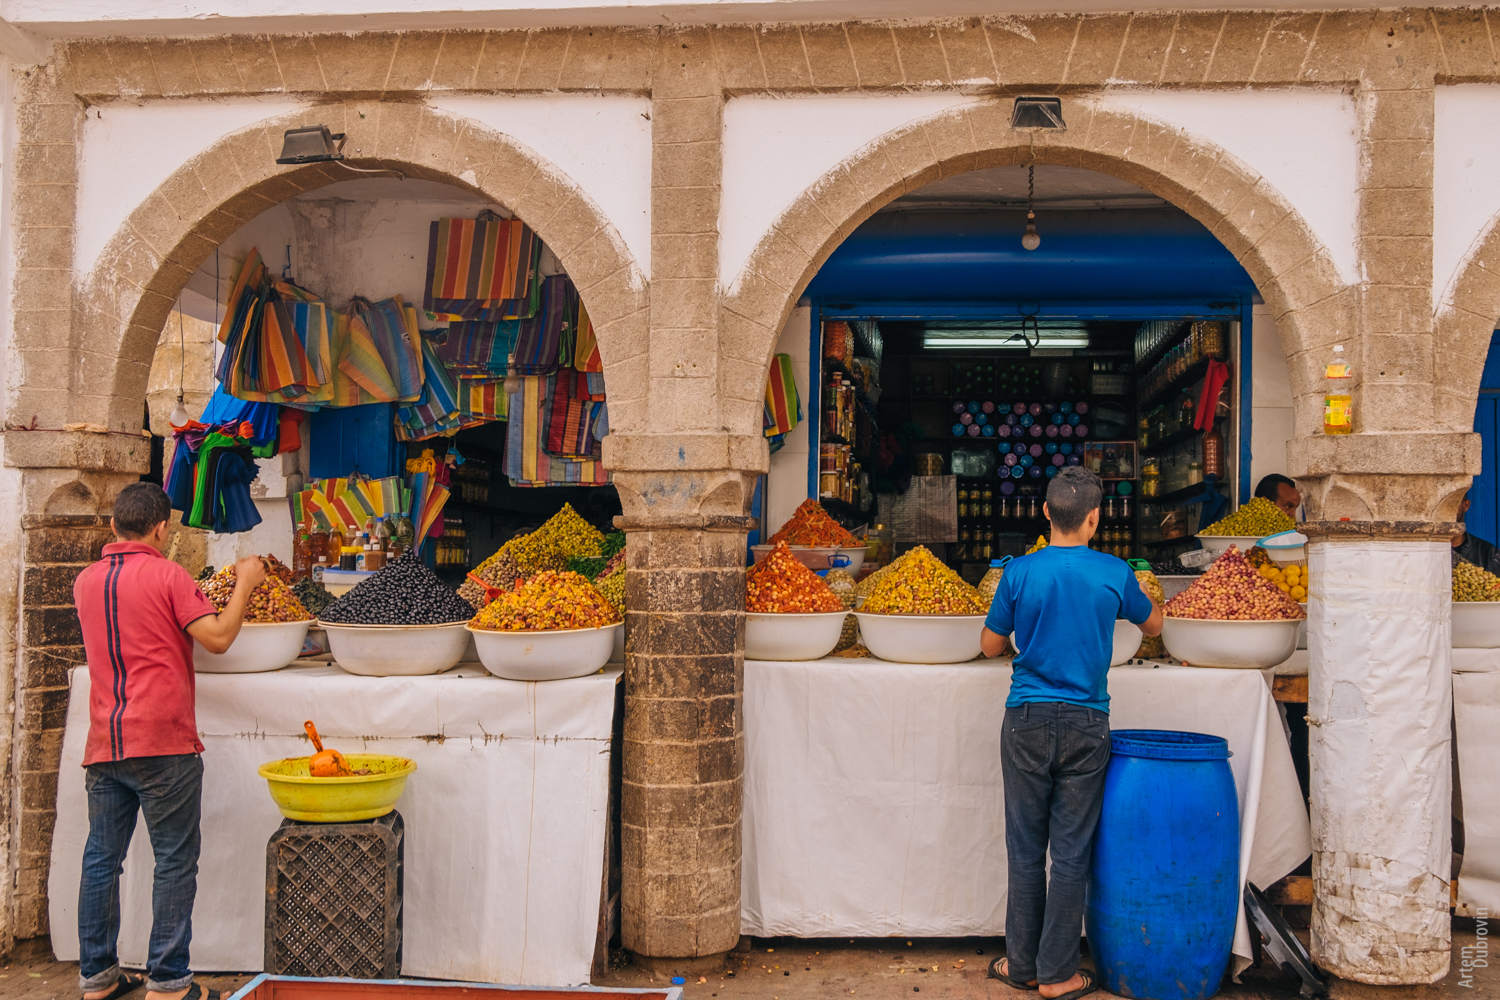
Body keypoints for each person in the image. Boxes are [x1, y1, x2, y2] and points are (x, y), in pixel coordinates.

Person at [73, 483, 266, 1000]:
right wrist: (245, 581)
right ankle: (168, 983)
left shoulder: (85, 581)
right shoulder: (167, 574)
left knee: (100, 860)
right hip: (162, 742)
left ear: (114, 525)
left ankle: (97, 980)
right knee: (175, 861)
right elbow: (219, 639)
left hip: (105, 741)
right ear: (162, 529)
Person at [978, 466, 1163, 1000]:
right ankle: (1058, 974)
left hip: (1026, 720)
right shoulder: (1113, 572)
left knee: (1025, 849)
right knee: (1071, 852)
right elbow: (1154, 627)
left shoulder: (1019, 572)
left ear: (1044, 514)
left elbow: (990, 645)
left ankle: (1022, 966)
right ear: (1094, 519)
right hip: (1086, 722)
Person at [1452, 490, 1500, 574]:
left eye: (1452, 504)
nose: (1445, 510)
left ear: (1466, 505)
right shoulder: (1427, 550)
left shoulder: (1489, 553)